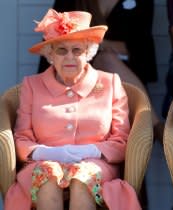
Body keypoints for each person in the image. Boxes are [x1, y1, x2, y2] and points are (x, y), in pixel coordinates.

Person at [4, 9, 141, 210]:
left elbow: (121, 141)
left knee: (82, 177)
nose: (70, 57)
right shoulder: (32, 85)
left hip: (97, 166)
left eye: (77, 50)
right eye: (61, 50)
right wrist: (49, 153)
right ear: (50, 54)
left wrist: (88, 151)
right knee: (47, 175)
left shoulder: (110, 83)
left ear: (88, 52)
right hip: (42, 164)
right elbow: (21, 139)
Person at [37, 0, 164, 142]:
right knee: (106, 60)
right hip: (78, 73)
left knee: (107, 60)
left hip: (126, 77)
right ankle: (156, 126)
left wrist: (92, 42)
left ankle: (152, 125)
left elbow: (142, 50)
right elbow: (53, 43)